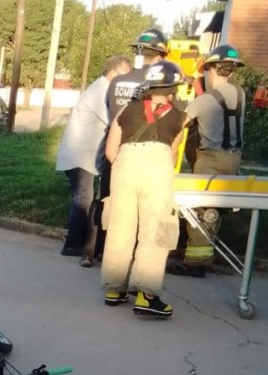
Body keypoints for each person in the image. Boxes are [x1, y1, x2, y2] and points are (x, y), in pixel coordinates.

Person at [100, 60, 187, 318]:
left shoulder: (125, 111)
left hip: (124, 168)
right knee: (155, 230)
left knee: (119, 226)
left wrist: (127, 166)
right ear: (173, 88)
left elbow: (110, 152)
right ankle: (147, 296)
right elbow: (172, 157)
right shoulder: (180, 118)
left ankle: (114, 289)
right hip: (156, 169)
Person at [90, 29, 171, 262]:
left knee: (111, 208)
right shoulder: (160, 86)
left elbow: (111, 112)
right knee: (141, 217)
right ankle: (134, 265)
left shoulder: (117, 82)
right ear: (161, 56)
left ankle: (103, 256)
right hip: (146, 159)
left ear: (138, 52)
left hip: (115, 152)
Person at [178, 44, 248, 275]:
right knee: (214, 211)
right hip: (233, 159)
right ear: (232, 70)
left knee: (199, 211)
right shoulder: (241, 94)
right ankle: (205, 257)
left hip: (210, 159)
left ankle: (195, 264)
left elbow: (180, 124)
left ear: (211, 69)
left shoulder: (206, 99)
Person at [55, 55, 131, 265]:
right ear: (113, 72)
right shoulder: (102, 90)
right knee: (83, 199)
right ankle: (72, 243)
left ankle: (80, 241)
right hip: (80, 154)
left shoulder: (103, 88)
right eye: (125, 74)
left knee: (84, 199)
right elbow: (113, 120)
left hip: (84, 154)